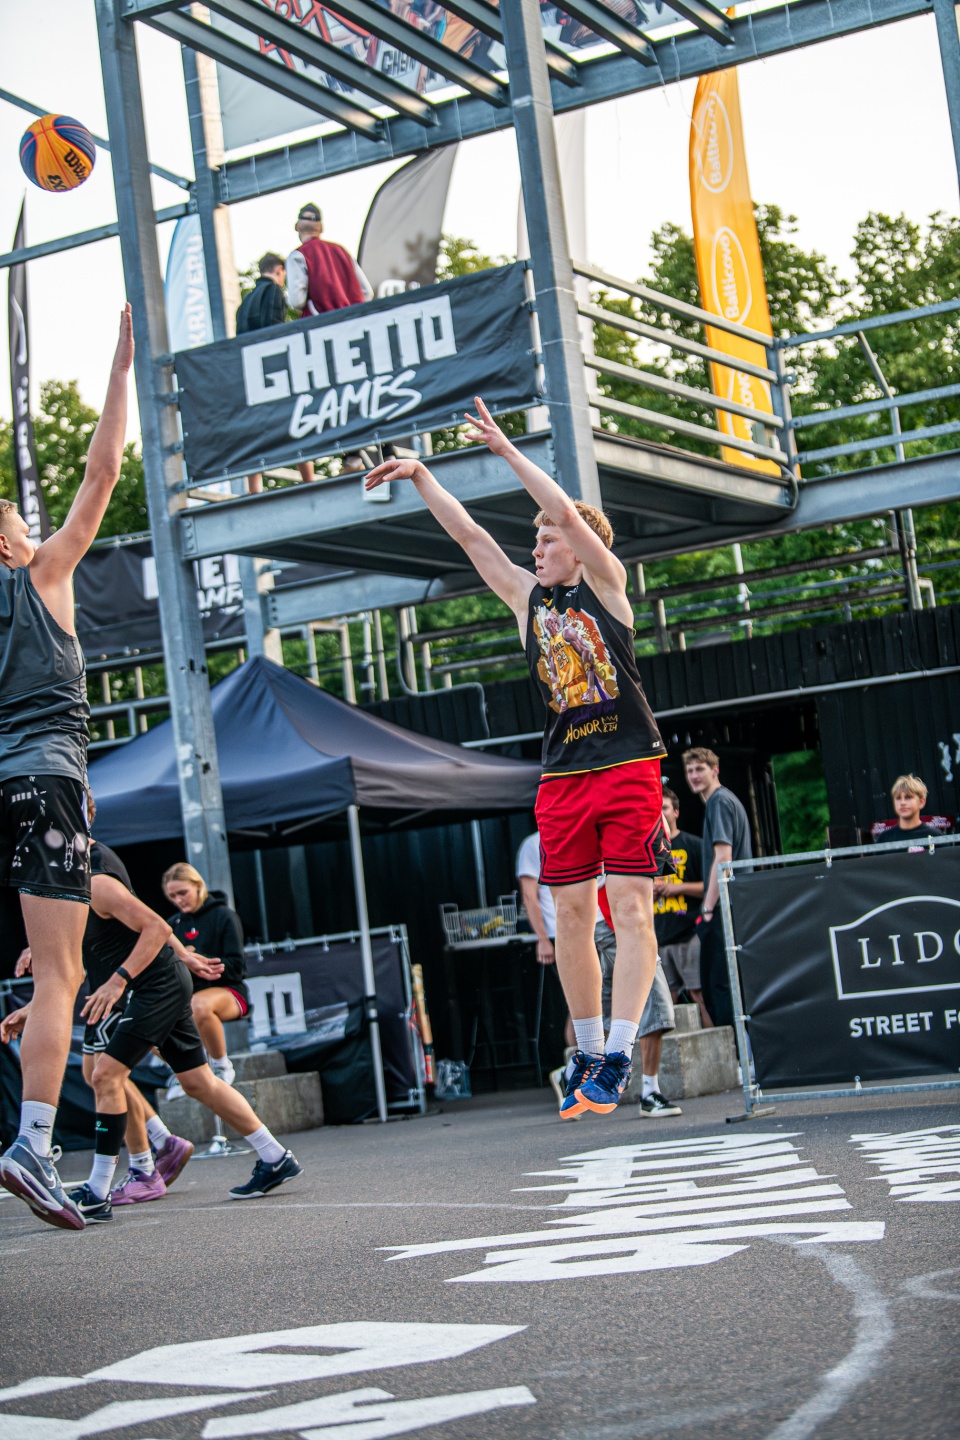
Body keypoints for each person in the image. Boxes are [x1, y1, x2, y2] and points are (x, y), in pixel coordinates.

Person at [366, 398, 670, 1119]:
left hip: (627, 763)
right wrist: (422, 476)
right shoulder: (527, 600)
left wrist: (506, 451)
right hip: (564, 774)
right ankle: (588, 1052)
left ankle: (619, 1052)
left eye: (546, 541)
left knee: (631, 910)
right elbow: (470, 537)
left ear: (578, 547)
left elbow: (562, 508)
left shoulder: (607, 586)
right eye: (534, 542)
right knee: (572, 913)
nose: (536, 549)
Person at [0, 306, 133, 1231]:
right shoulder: (41, 576)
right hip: (44, 779)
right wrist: (119, 371)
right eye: (17, 515)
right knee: (59, 974)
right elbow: (103, 472)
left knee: (45, 969)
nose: (27, 520)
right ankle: (34, 1145)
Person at [1, 839, 302, 1223]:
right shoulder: (72, 885)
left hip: (153, 985)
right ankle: (275, 1156)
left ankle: (101, 1189)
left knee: (104, 1076)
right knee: (196, 1082)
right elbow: (75, 964)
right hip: (155, 982)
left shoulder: (96, 879)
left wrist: (119, 981)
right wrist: (35, 1009)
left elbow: (156, 926)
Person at [596, 881, 681, 1117]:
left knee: (611, 1007)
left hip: (613, 914)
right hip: (618, 916)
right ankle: (649, 1092)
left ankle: (572, 1072)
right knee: (654, 998)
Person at [162, 863, 249, 1092]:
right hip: (187, 996)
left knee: (198, 1005)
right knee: (144, 1019)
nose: (178, 900)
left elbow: (236, 967)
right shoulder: (173, 924)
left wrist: (196, 959)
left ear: (198, 886)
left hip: (229, 992)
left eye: (183, 893)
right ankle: (187, 1068)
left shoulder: (224, 916)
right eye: (172, 896)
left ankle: (221, 1065)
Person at [683, 747, 752, 1028]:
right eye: (689, 770)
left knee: (719, 986)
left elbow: (723, 859)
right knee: (724, 985)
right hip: (733, 904)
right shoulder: (722, 801)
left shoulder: (719, 802)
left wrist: (708, 909)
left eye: (700, 769)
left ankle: (737, 1049)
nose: (694, 775)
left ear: (715, 770)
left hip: (725, 906)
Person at [237, 253, 315, 493]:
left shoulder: (246, 301)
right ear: (279, 270)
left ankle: (253, 490)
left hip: (251, 375)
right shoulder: (273, 292)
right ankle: (309, 481)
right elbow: (275, 328)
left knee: (253, 433)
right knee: (297, 421)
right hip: (273, 372)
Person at [654, 787, 709, 1030]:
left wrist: (678, 888)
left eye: (664, 808)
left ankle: (719, 1044)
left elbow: (712, 886)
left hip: (689, 933)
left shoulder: (693, 844)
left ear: (676, 812)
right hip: (658, 937)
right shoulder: (649, 849)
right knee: (665, 1001)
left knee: (699, 994)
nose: (660, 813)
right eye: (656, 809)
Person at [285, 203, 373, 319]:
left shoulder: (297, 255)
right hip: (352, 321)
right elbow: (367, 292)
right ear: (321, 228)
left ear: (296, 227)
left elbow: (297, 301)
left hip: (322, 324)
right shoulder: (342, 251)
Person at [873, 774, 941, 844]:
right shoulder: (884, 839)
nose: (902, 803)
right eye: (898, 798)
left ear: (921, 802)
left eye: (908, 797)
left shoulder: (935, 836)